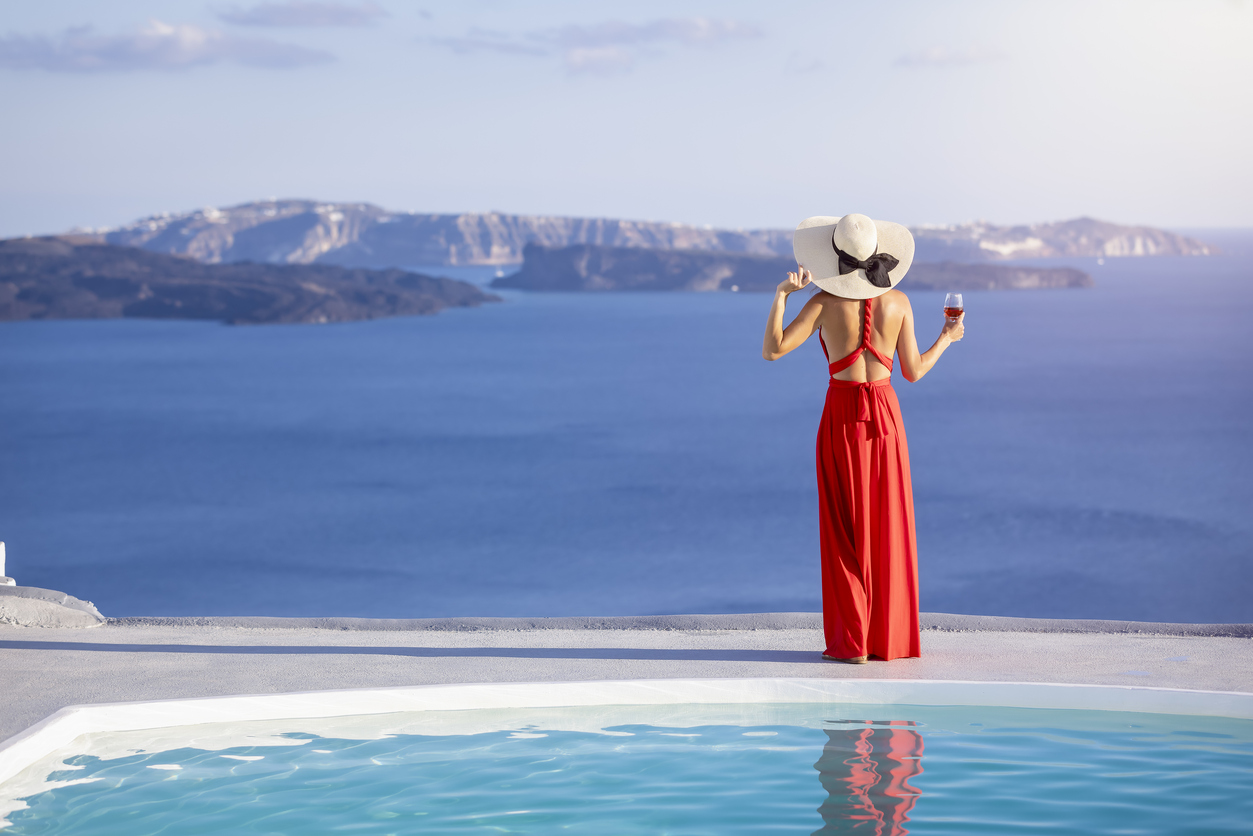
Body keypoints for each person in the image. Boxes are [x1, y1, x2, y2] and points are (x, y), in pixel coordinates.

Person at [762, 214, 964, 662]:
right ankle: (884, 640)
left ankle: (852, 643)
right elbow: (912, 371)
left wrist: (781, 296)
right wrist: (947, 338)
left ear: (836, 256)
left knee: (843, 529)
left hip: (841, 419)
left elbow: (772, 349)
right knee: (886, 527)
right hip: (887, 423)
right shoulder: (901, 304)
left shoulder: (823, 303)